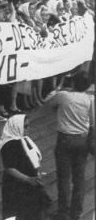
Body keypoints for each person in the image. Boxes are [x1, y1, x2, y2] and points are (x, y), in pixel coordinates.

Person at [46, 71, 94, 220]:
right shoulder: (90, 99)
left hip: (65, 139)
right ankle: (76, 213)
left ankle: (63, 213)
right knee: (79, 178)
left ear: (73, 83)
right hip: (82, 140)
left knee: (64, 178)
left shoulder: (64, 96)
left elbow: (49, 101)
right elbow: (92, 121)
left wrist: (58, 88)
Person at [0, 114, 48, 220]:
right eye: (25, 126)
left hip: (29, 184)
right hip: (16, 186)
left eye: (28, 125)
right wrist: (28, 179)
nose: (28, 129)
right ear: (16, 127)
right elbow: (9, 168)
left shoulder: (25, 139)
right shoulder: (9, 144)